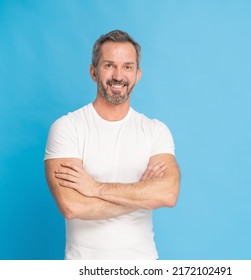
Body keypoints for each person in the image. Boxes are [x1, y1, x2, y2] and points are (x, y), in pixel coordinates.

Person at [44, 30, 180, 260]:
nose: (118, 75)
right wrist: (141, 193)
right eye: (109, 65)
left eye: (127, 67)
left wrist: (96, 189)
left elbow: (168, 193)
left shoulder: (155, 131)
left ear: (138, 75)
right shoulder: (68, 127)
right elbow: (72, 206)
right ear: (93, 72)